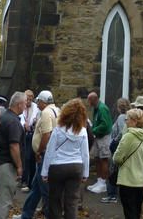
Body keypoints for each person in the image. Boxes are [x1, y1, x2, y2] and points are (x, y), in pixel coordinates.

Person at [40, 98, 89, 219]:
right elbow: (85, 154)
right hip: (76, 167)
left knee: (55, 200)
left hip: (57, 167)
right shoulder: (82, 131)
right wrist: (85, 173)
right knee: (72, 202)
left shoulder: (57, 130)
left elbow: (49, 152)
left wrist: (44, 171)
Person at [14, 90, 59, 219]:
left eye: (38, 101)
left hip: (44, 155)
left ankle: (50, 215)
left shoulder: (46, 113)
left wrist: (39, 152)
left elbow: (46, 134)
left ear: (43, 102)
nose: (37, 104)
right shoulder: (57, 110)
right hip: (49, 154)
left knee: (45, 189)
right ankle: (26, 215)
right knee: (36, 187)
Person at [0, 91, 26, 219]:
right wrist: (20, 166)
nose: (26, 106)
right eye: (25, 104)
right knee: (3, 201)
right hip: (7, 165)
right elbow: (14, 145)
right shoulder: (13, 121)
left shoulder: (3, 116)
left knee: (0, 200)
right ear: (20, 104)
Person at [113, 108, 143, 219]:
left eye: (128, 119)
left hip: (128, 180)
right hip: (142, 181)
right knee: (137, 211)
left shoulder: (128, 136)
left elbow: (117, 158)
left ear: (135, 121)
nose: (126, 121)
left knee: (129, 213)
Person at [101, 97, 131, 204]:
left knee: (113, 171)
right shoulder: (128, 116)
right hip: (122, 147)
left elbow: (123, 132)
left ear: (119, 107)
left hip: (118, 148)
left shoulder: (122, 117)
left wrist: (114, 141)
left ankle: (112, 195)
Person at [86, 91, 113, 194]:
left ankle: (103, 183)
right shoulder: (97, 108)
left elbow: (105, 125)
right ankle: (99, 181)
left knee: (103, 159)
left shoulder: (102, 109)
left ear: (94, 100)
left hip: (104, 137)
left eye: (89, 100)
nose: (88, 103)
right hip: (98, 136)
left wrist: (93, 130)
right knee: (97, 158)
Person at [19, 90, 39, 190]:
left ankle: (29, 182)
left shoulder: (35, 107)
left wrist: (35, 120)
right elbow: (19, 117)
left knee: (31, 158)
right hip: (23, 134)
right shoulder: (21, 106)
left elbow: (39, 116)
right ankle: (23, 180)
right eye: (27, 99)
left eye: (30, 100)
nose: (28, 102)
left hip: (32, 133)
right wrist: (23, 124)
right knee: (25, 158)